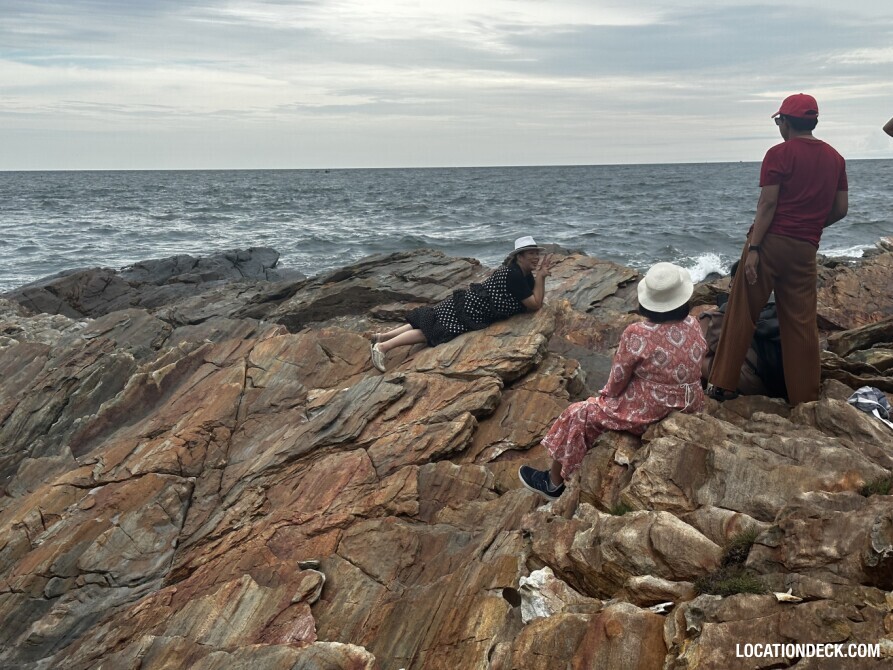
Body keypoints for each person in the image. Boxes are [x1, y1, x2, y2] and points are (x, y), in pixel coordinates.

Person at [518, 262, 707, 500]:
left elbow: (618, 378)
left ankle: (553, 483)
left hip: (658, 408)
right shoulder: (693, 323)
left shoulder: (638, 333)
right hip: (692, 402)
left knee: (580, 412)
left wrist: (604, 397)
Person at [708, 93, 848, 405]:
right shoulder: (836, 158)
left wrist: (755, 247)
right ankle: (804, 399)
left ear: (785, 122)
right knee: (801, 325)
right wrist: (810, 226)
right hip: (805, 249)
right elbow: (841, 209)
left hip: (769, 243)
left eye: (778, 120)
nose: (778, 125)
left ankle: (722, 385)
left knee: (742, 311)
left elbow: (768, 203)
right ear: (813, 122)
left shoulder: (778, 154)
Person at [369, 236, 554, 372]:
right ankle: (383, 348)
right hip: (471, 310)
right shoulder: (515, 275)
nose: (536, 257)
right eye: (532, 253)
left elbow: (535, 297)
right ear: (520, 256)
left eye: (537, 253)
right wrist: (542, 276)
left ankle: (381, 337)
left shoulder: (523, 273)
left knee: (430, 318)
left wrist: (539, 276)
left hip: (469, 303)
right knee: (430, 331)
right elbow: (535, 304)